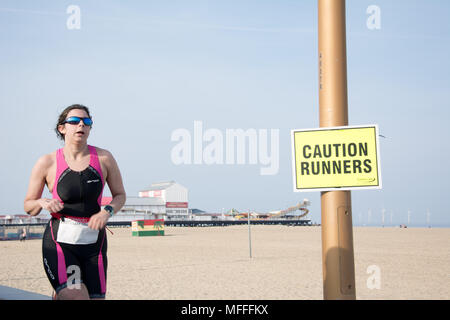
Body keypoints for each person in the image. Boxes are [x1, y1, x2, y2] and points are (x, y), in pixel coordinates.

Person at [24, 104, 126, 300]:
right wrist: (42, 203)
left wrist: (106, 212)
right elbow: (28, 205)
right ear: (62, 128)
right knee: (77, 295)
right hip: (61, 244)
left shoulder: (104, 158)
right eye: (74, 121)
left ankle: (59, 294)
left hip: (94, 245)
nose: (81, 124)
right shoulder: (47, 162)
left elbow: (120, 195)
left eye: (86, 122)